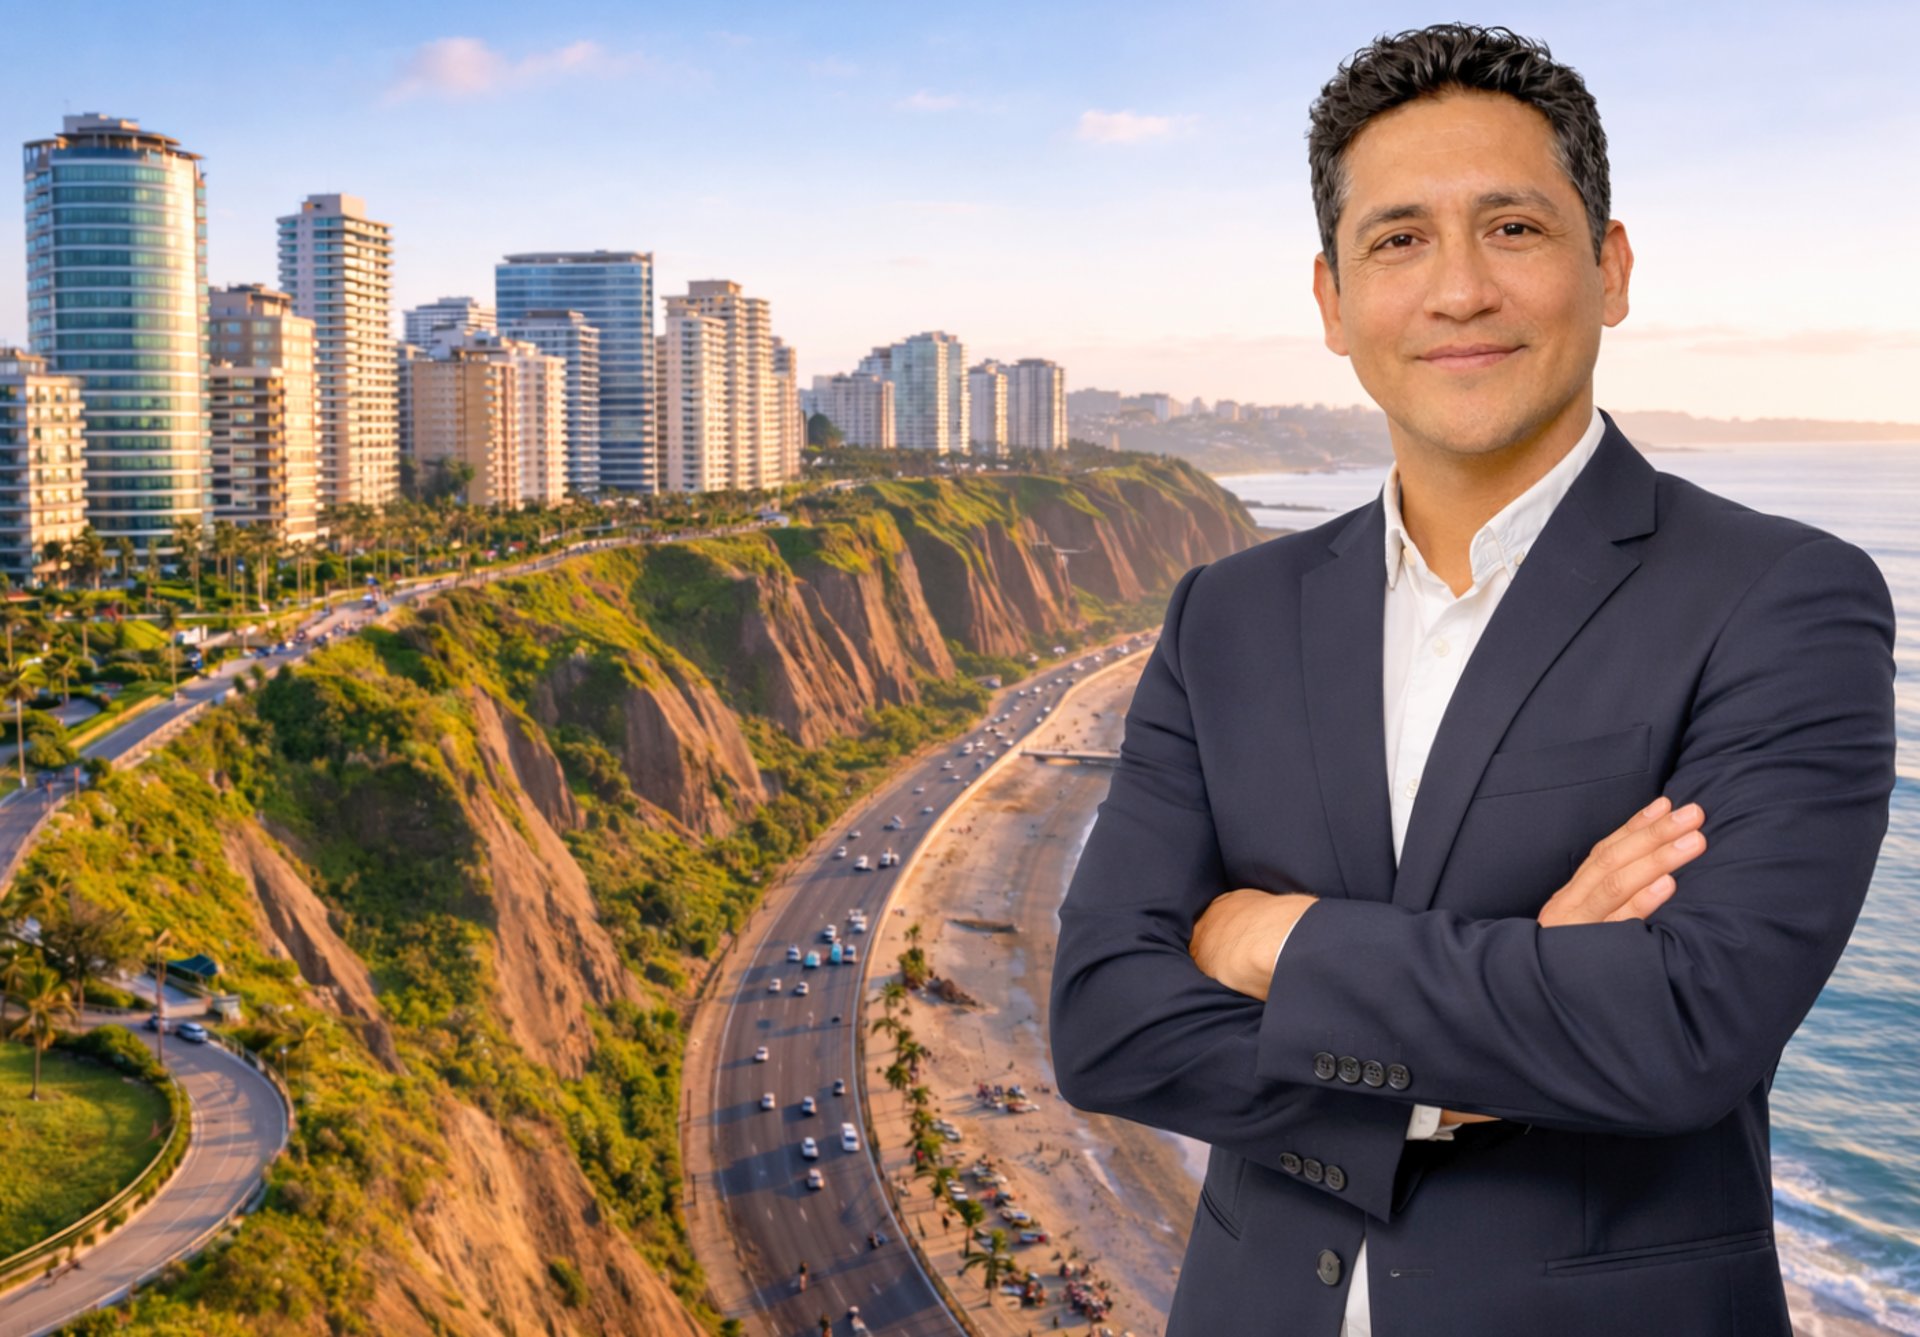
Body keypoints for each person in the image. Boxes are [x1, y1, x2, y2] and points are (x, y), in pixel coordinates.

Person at [1047, 23, 1896, 1337]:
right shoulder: (1227, 612)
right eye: (1398, 239)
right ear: (1331, 301)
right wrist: (1519, 1006)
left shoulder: (1782, 598)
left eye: (1512, 227)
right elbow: (1107, 1018)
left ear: (1609, 269)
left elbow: (1682, 1027)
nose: (1458, 291)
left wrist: (1272, 939)